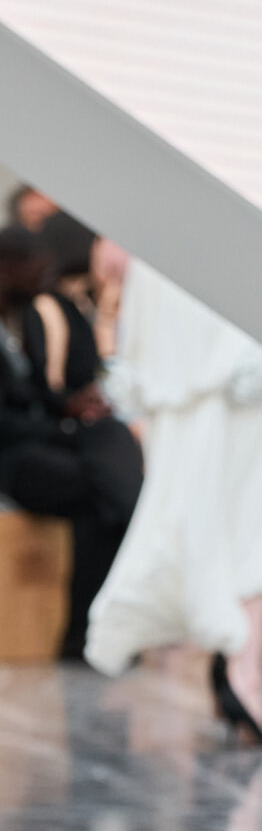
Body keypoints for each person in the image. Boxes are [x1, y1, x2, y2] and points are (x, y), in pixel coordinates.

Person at [85, 259, 262, 743]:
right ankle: (241, 676)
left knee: (215, 513)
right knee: (254, 515)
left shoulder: (165, 229)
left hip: (193, 378)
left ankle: (239, 672)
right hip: (242, 369)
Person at [0, 225, 142, 658]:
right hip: (12, 456)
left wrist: (67, 408)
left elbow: (33, 397)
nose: (43, 279)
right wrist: (60, 420)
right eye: (33, 270)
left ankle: (87, 631)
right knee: (102, 495)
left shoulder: (20, 320)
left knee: (107, 459)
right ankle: (86, 631)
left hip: (35, 439)